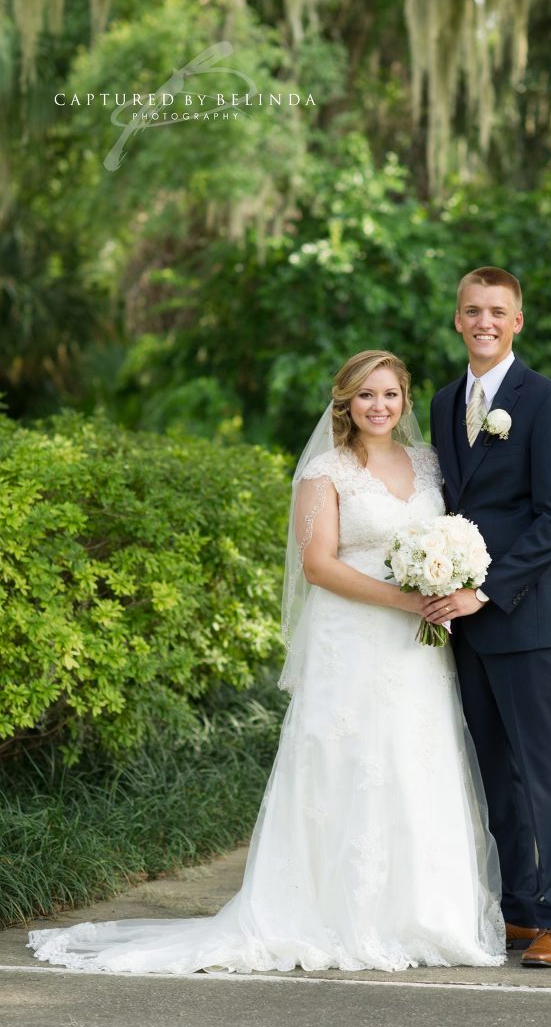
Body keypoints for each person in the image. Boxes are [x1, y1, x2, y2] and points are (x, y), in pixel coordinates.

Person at [29, 350, 505, 974]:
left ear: (405, 399)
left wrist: (444, 579)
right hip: (353, 637)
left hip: (416, 647)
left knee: (415, 758)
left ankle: (424, 915)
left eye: (390, 394)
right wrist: (407, 600)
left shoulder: (429, 463)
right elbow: (319, 565)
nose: (379, 406)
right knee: (345, 759)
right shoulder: (325, 471)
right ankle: (329, 914)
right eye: (366, 395)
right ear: (345, 402)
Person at [425, 268, 551, 967]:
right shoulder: (442, 403)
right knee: (496, 769)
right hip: (463, 625)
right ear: (457, 320)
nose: (483, 321)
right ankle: (520, 908)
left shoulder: (546, 402)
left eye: (497, 311)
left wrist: (485, 591)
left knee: (544, 771)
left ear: (517, 321)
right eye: (472, 310)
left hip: (527, 617)